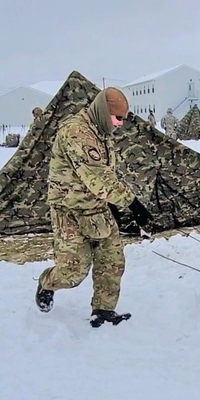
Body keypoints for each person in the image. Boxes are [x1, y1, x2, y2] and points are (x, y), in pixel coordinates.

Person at [34, 87, 155, 327]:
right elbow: (98, 178)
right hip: (70, 211)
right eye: (118, 117)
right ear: (103, 110)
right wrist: (133, 204)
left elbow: (105, 176)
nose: (120, 124)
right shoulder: (77, 133)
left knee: (112, 261)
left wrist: (114, 206)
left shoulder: (101, 130)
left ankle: (103, 310)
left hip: (97, 208)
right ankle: (47, 282)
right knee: (73, 272)